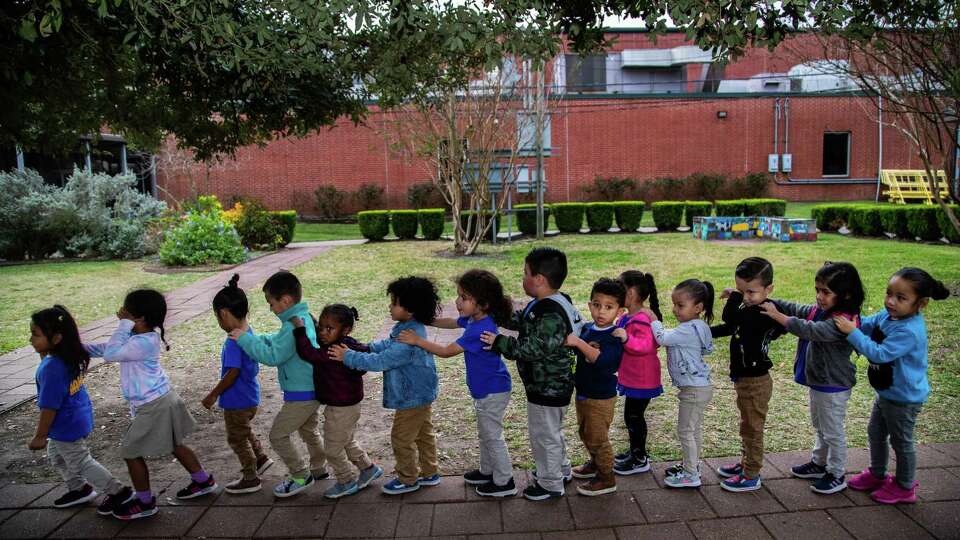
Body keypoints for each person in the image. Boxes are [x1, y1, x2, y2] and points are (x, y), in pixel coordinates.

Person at [87, 289, 216, 520]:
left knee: (130, 451)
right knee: (175, 444)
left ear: (140, 319)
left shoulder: (145, 341)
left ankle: (145, 502)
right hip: (161, 399)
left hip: (155, 404)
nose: (120, 317)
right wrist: (79, 348)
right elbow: (109, 349)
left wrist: (124, 325)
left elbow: (112, 354)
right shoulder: (138, 339)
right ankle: (202, 481)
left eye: (125, 314)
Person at [835, 267, 950, 504]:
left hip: (904, 398)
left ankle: (905, 486)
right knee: (876, 433)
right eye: (889, 293)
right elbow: (868, 324)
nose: (890, 301)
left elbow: (879, 354)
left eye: (901, 297)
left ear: (922, 303)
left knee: (902, 442)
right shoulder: (888, 316)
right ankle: (877, 474)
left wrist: (852, 333)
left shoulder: (909, 331)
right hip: (887, 393)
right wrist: (853, 321)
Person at [397, 269, 516, 497]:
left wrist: (417, 340)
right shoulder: (475, 319)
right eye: (458, 295)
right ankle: (487, 470)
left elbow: (445, 351)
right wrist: (426, 320)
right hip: (486, 389)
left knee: (492, 435)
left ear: (483, 303)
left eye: (463, 297)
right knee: (485, 433)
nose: (457, 301)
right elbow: (453, 322)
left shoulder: (481, 328)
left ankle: (504, 481)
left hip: (493, 391)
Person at [481, 247, 584, 500]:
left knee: (544, 436)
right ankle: (561, 469)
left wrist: (499, 342)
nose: (522, 277)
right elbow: (523, 321)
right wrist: (497, 314)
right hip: (549, 385)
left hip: (549, 386)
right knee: (552, 432)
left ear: (539, 279)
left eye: (525, 273)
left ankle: (550, 484)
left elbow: (533, 349)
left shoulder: (550, 313)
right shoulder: (547, 303)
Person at [760, 262, 864, 494]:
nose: (819, 296)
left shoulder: (842, 321)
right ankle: (819, 463)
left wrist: (778, 316)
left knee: (832, 431)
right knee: (820, 426)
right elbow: (796, 308)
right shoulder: (822, 310)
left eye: (825, 292)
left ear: (845, 294)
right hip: (820, 383)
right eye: (817, 289)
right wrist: (770, 301)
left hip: (833, 386)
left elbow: (809, 330)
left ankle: (836, 473)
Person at [330, 276, 441, 495]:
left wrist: (348, 356)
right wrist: (367, 347)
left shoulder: (409, 338)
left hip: (412, 396)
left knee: (401, 437)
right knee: (422, 433)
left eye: (394, 303)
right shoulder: (408, 328)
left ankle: (408, 479)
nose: (389, 306)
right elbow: (386, 345)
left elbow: (383, 361)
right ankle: (430, 472)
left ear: (409, 309)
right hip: (421, 392)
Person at [229, 270, 327, 498]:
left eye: (271, 303)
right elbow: (279, 341)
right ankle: (320, 468)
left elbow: (273, 357)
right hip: (312, 390)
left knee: (277, 436)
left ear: (285, 301)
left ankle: (301, 475)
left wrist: (244, 339)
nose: (270, 308)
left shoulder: (292, 326)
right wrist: (257, 338)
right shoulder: (299, 319)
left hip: (302, 395)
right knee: (309, 431)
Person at [28, 305, 131, 514]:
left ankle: (119, 492)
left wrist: (40, 435)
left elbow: (49, 407)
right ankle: (79, 488)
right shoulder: (68, 356)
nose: (30, 339)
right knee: (57, 455)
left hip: (64, 424)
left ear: (56, 339)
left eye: (35, 334)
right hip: (76, 416)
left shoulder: (52, 368)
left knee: (81, 461)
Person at [292, 304, 384, 499]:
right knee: (347, 441)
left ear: (345, 330)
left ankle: (346, 480)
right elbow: (362, 350)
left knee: (332, 449)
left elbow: (308, 353)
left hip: (341, 407)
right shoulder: (346, 344)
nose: (322, 333)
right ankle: (368, 468)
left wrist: (300, 329)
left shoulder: (334, 350)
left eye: (329, 328)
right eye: (321, 327)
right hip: (346, 405)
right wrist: (311, 323)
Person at [711, 257, 785, 492]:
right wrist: (702, 333)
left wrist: (732, 296)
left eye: (750, 292)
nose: (744, 297)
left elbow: (730, 318)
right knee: (747, 425)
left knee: (753, 428)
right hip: (745, 379)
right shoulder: (752, 308)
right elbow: (733, 327)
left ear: (769, 289)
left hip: (756, 381)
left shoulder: (763, 311)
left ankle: (751, 474)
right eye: (741, 291)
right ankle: (745, 463)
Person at [202, 274, 273, 495]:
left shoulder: (233, 340)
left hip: (236, 399)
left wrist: (213, 394)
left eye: (217, 317)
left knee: (236, 437)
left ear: (223, 314)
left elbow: (233, 372)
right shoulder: (247, 333)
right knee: (244, 431)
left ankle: (250, 476)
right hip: (250, 396)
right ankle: (261, 458)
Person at [650, 279, 715, 488]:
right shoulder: (700, 325)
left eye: (680, 305)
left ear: (698, 308)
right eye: (674, 304)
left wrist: (654, 320)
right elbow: (706, 349)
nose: (675, 309)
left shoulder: (687, 329)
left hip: (693, 389)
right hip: (700, 386)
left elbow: (662, 338)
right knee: (693, 429)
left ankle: (690, 475)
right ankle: (692, 466)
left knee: (685, 431)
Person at [565, 278, 625, 496]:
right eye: (597, 305)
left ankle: (607, 478)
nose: (601, 311)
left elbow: (601, 360)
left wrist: (577, 343)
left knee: (598, 438)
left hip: (601, 397)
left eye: (609, 307)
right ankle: (595, 463)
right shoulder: (588, 329)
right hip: (584, 392)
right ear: (590, 305)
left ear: (620, 310)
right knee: (586, 432)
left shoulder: (614, 336)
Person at [612, 270, 663, 476]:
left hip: (642, 379)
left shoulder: (641, 318)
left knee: (633, 417)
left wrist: (625, 338)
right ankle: (635, 452)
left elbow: (645, 345)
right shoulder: (628, 316)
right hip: (635, 376)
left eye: (618, 288)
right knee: (632, 417)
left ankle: (639, 458)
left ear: (631, 293)